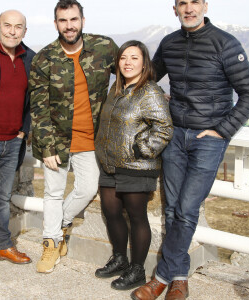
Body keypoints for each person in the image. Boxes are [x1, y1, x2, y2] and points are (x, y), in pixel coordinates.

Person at [132, 1, 249, 299]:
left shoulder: (225, 44)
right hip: (175, 136)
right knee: (173, 209)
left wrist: (221, 131)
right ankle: (179, 278)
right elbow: (149, 78)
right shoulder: (170, 42)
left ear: (204, 5)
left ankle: (161, 277)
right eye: (183, 3)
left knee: (187, 210)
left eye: (194, 2)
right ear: (174, 8)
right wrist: (159, 101)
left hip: (208, 140)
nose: (189, 9)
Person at [29, 0, 118, 274]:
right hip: (56, 141)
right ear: (56, 23)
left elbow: (130, 74)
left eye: (73, 19)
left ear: (82, 20)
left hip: (92, 139)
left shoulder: (104, 48)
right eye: (63, 20)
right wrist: (46, 148)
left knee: (88, 188)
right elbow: (39, 107)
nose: (69, 26)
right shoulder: (44, 58)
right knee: (53, 193)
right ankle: (50, 244)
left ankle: (60, 226)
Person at [95, 40, 173, 291]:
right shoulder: (116, 89)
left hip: (137, 165)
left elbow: (164, 128)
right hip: (110, 164)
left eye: (134, 58)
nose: (127, 63)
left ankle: (137, 270)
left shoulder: (149, 91)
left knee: (137, 217)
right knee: (112, 213)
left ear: (144, 63)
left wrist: (141, 149)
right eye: (123, 58)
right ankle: (120, 259)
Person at [0, 10, 35, 264]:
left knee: (2, 198)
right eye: (8, 26)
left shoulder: (30, 59)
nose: (12, 31)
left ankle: (1, 246)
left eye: (18, 27)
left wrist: (24, 130)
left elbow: (32, 101)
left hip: (12, 142)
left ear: (25, 30)